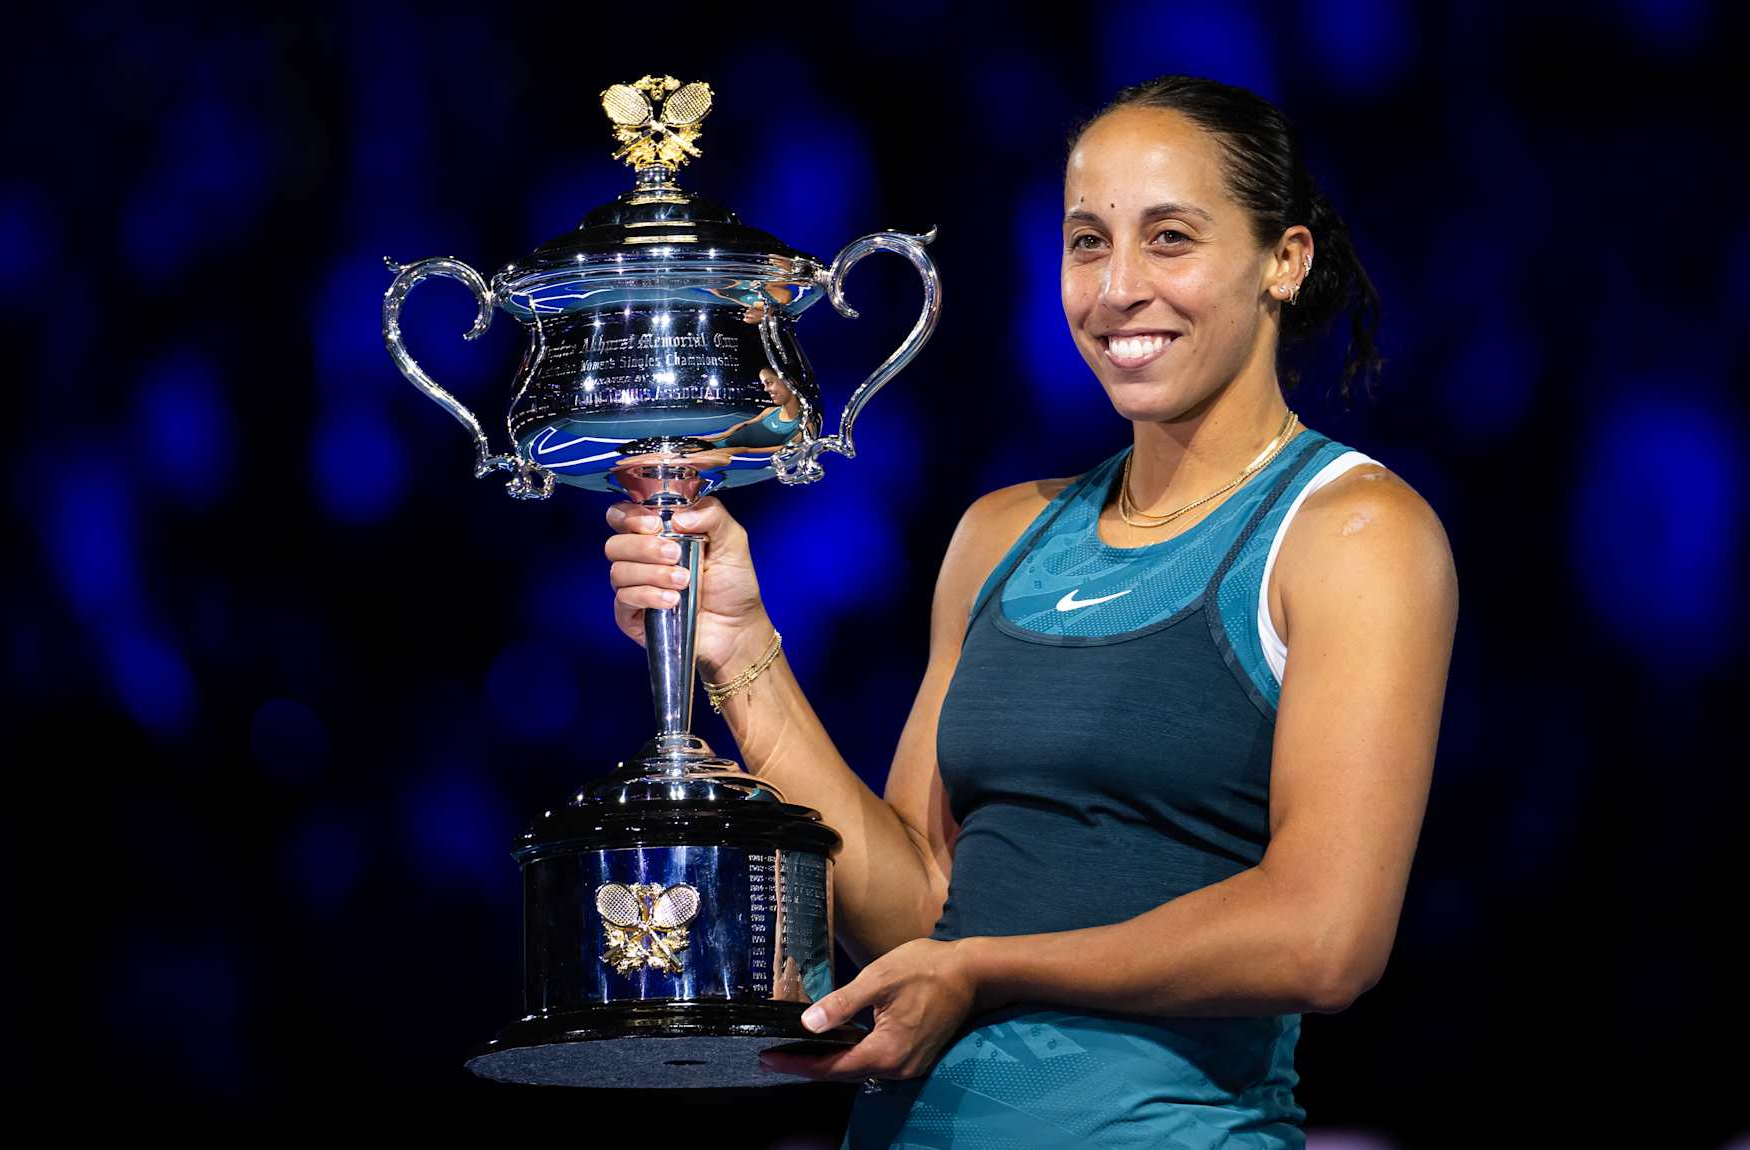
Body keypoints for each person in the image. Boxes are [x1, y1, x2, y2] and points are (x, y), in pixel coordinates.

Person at [604, 74, 1457, 1148]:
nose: (1118, 288)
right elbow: (919, 907)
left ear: (1283, 261)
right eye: (1088, 242)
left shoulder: (1355, 533)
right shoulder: (1001, 535)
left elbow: (1326, 937)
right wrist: (739, 646)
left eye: (1171, 239)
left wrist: (985, 967)